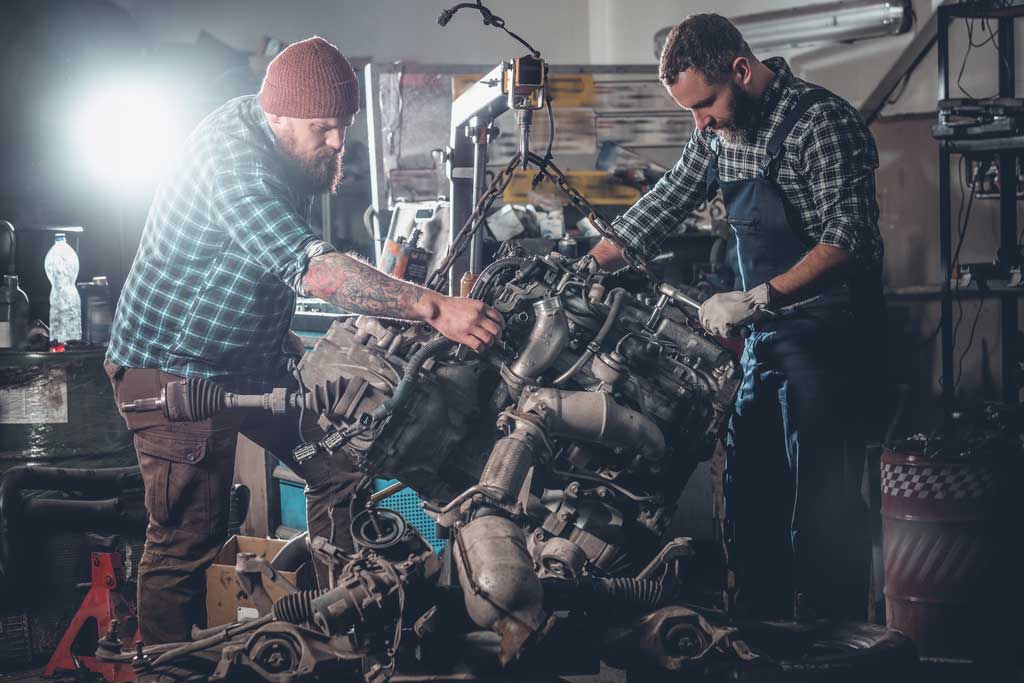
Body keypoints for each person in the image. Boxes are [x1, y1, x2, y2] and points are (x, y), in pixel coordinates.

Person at [104, 36, 503, 644]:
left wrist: (277, 333)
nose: (338, 142)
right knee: (188, 539)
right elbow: (310, 266)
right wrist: (430, 306)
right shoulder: (232, 164)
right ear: (277, 116)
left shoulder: (284, 145)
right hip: (171, 373)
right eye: (324, 128)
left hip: (248, 364)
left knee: (341, 467)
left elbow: (248, 264)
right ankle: (167, 665)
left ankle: (334, 636)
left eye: (343, 126)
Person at [589, 14, 884, 620]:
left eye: (705, 105)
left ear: (742, 71)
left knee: (824, 511)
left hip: (830, 342)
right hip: (764, 346)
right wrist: (585, 266)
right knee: (751, 505)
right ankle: (760, 637)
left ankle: (839, 646)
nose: (700, 123)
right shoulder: (717, 134)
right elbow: (666, 201)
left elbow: (850, 239)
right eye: (690, 113)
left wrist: (756, 299)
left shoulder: (821, 122)